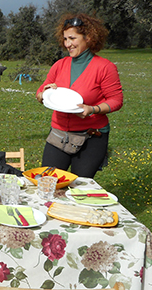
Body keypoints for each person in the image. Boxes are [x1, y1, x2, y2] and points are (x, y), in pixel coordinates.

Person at [35, 13, 123, 178]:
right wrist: (44, 93)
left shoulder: (105, 67)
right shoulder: (59, 65)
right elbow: (40, 92)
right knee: (48, 182)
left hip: (91, 137)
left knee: (80, 187)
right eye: (65, 39)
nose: (67, 44)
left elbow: (116, 100)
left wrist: (92, 109)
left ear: (88, 37)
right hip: (59, 135)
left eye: (72, 38)